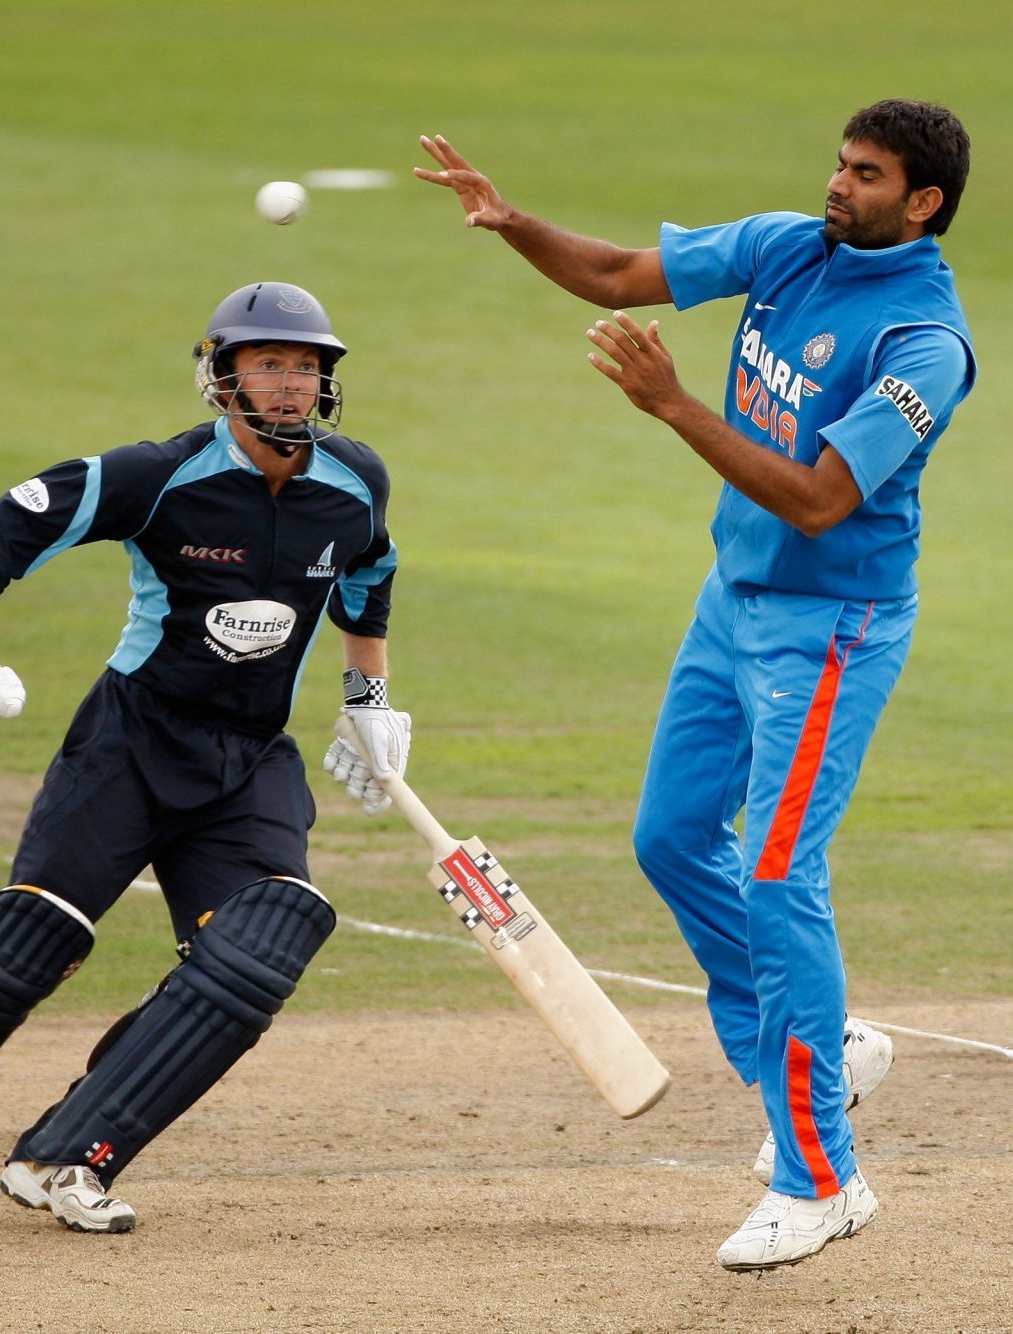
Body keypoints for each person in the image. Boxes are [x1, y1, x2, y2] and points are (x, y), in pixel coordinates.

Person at [416, 99, 976, 1270]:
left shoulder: (925, 342)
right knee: (673, 836)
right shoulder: (787, 244)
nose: (837, 183)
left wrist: (675, 405)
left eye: (865, 174)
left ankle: (822, 1176)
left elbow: (823, 500)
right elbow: (623, 273)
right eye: (838, 161)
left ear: (921, 203)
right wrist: (511, 220)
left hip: (832, 627)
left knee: (778, 871)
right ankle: (825, 1050)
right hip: (736, 600)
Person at [0, 281, 411, 1233]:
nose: (290, 385)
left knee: (260, 947)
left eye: (307, 367)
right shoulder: (161, 475)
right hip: (130, 741)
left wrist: (368, 696)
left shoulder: (354, 484)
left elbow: (372, 574)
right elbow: (20, 517)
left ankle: (69, 1155)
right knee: (29, 945)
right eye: (269, 364)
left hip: (248, 762)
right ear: (223, 376)